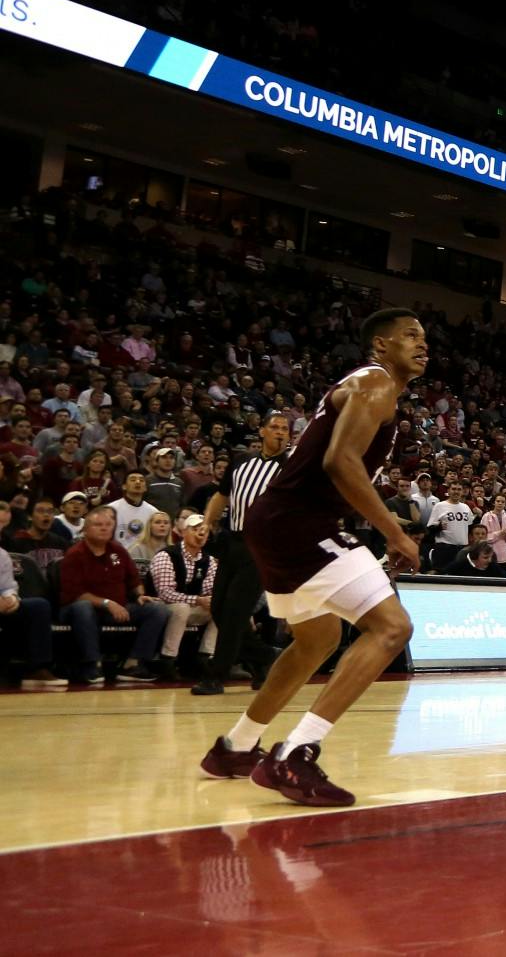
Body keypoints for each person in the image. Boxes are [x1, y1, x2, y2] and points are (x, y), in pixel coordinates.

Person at [203, 309, 423, 807]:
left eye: (424, 337)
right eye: (410, 335)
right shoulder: (376, 381)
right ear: (380, 346)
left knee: (316, 639)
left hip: (275, 521)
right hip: (300, 524)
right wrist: (393, 531)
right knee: (392, 628)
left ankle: (235, 747)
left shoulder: (371, 386)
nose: (422, 344)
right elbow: (339, 461)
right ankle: (294, 754)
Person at [191, 410, 289, 695]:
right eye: (275, 427)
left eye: (285, 429)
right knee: (220, 609)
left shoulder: (291, 467)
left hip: (263, 546)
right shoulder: (242, 462)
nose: (281, 432)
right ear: (262, 431)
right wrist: (208, 522)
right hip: (233, 541)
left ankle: (216, 675)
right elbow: (222, 496)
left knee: (235, 611)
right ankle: (263, 659)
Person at [60, 505, 172, 684]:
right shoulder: (75, 554)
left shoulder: (118, 550)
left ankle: (133, 664)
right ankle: (92, 664)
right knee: (83, 607)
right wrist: (107, 603)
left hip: (118, 606)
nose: (104, 528)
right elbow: (75, 594)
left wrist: (139, 596)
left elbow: (134, 580)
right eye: (98, 525)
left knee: (157, 609)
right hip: (80, 609)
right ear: (86, 529)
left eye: (108, 524)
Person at [149, 512, 219, 673]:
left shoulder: (209, 561)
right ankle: (167, 659)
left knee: (221, 608)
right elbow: (165, 593)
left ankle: (206, 658)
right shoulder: (166, 555)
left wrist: (212, 599)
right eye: (195, 529)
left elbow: (209, 589)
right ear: (183, 532)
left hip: (190, 607)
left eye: (205, 530)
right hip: (160, 607)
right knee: (181, 608)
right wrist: (198, 600)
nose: (201, 533)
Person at [0, 544, 62, 689]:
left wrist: (12, 600)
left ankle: (38, 669)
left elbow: (8, 586)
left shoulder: (2, 555)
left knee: (38, 606)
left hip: (2, 605)